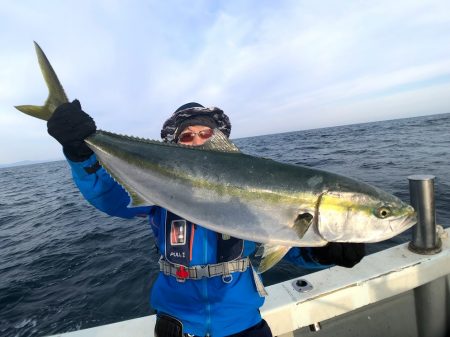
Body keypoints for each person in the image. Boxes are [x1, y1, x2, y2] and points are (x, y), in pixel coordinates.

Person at [47, 100, 365, 337]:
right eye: (188, 137)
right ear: (174, 146)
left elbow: (289, 241)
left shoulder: (250, 190)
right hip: (178, 326)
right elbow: (110, 197)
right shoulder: (160, 193)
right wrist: (81, 154)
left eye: (205, 134)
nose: (198, 141)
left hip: (244, 324)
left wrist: (324, 252)